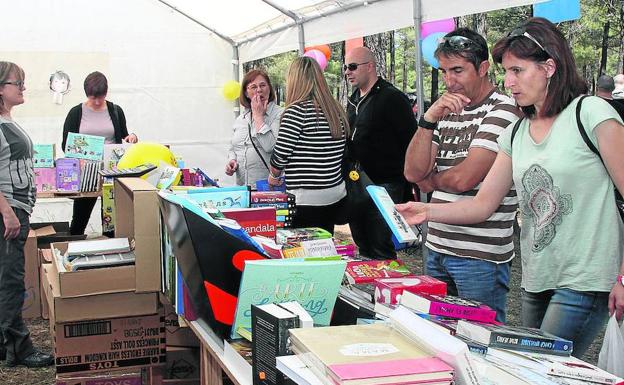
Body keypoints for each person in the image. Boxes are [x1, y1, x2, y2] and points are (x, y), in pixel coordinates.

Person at [397, 17, 624, 358]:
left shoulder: (590, 112)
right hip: (535, 277)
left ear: (549, 66)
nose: (510, 81)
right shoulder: (517, 132)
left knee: (538, 367)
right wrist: (425, 210)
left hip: (585, 276)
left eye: (518, 70)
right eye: (507, 72)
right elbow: (482, 204)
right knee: (518, 365)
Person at [403, 28, 522, 323]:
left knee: (480, 339)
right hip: (437, 246)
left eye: (458, 70)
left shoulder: (504, 110)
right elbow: (412, 172)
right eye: (444, 72)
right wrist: (428, 119)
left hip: (479, 254)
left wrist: (432, 180)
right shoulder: (448, 109)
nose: (449, 81)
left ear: (483, 68)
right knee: (439, 335)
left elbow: (464, 178)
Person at [0, 61, 54, 367]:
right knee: (11, 281)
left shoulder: (7, 120)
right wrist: (7, 211)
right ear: (0, 89)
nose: (22, 88)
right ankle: (20, 349)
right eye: (16, 83)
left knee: (6, 278)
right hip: (8, 210)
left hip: (16, 207)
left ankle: (5, 342)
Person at [344, 46, 416, 259]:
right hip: (356, 184)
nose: (348, 72)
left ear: (370, 67)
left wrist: (406, 181)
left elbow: (412, 141)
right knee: (363, 244)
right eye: (346, 68)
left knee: (380, 246)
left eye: (353, 67)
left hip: (385, 185)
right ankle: (371, 290)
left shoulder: (392, 97)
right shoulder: (353, 99)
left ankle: (386, 290)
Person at [268, 56, 349, 234]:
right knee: (324, 243)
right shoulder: (336, 110)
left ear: (294, 80)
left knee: (304, 251)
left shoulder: (296, 111)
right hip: (334, 194)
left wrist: (273, 176)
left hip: (305, 198)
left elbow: (280, 155)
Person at [62, 71, 138, 236]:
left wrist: (131, 137)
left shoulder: (115, 110)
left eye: (100, 97)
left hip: (112, 174)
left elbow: (123, 135)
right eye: (92, 97)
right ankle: (72, 251)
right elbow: (66, 145)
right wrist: (77, 157)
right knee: (79, 220)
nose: (97, 102)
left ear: (106, 92)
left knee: (111, 220)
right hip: (87, 175)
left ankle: (114, 253)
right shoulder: (76, 113)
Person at [225, 69, 284, 186]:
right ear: (246, 93)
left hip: (269, 189)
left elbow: (271, 147)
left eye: (263, 85)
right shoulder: (241, 119)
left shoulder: (280, 114)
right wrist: (232, 160)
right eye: (253, 87)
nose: (259, 90)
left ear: (269, 89)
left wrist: (258, 116)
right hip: (243, 188)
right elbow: (233, 147)